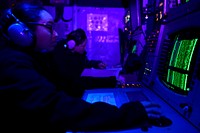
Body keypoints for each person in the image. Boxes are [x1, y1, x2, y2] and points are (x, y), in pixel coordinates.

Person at [0, 2, 162, 133]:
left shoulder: (35, 59)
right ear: (21, 32)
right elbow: (58, 107)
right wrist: (128, 114)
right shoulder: (11, 64)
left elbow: (73, 83)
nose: (56, 34)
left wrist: (111, 81)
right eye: (49, 26)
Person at [53, 28, 119, 97]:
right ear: (72, 45)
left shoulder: (76, 54)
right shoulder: (63, 58)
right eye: (83, 46)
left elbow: (85, 63)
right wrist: (110, 81)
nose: (84, 48)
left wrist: (97, 64)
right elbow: (81, 82)